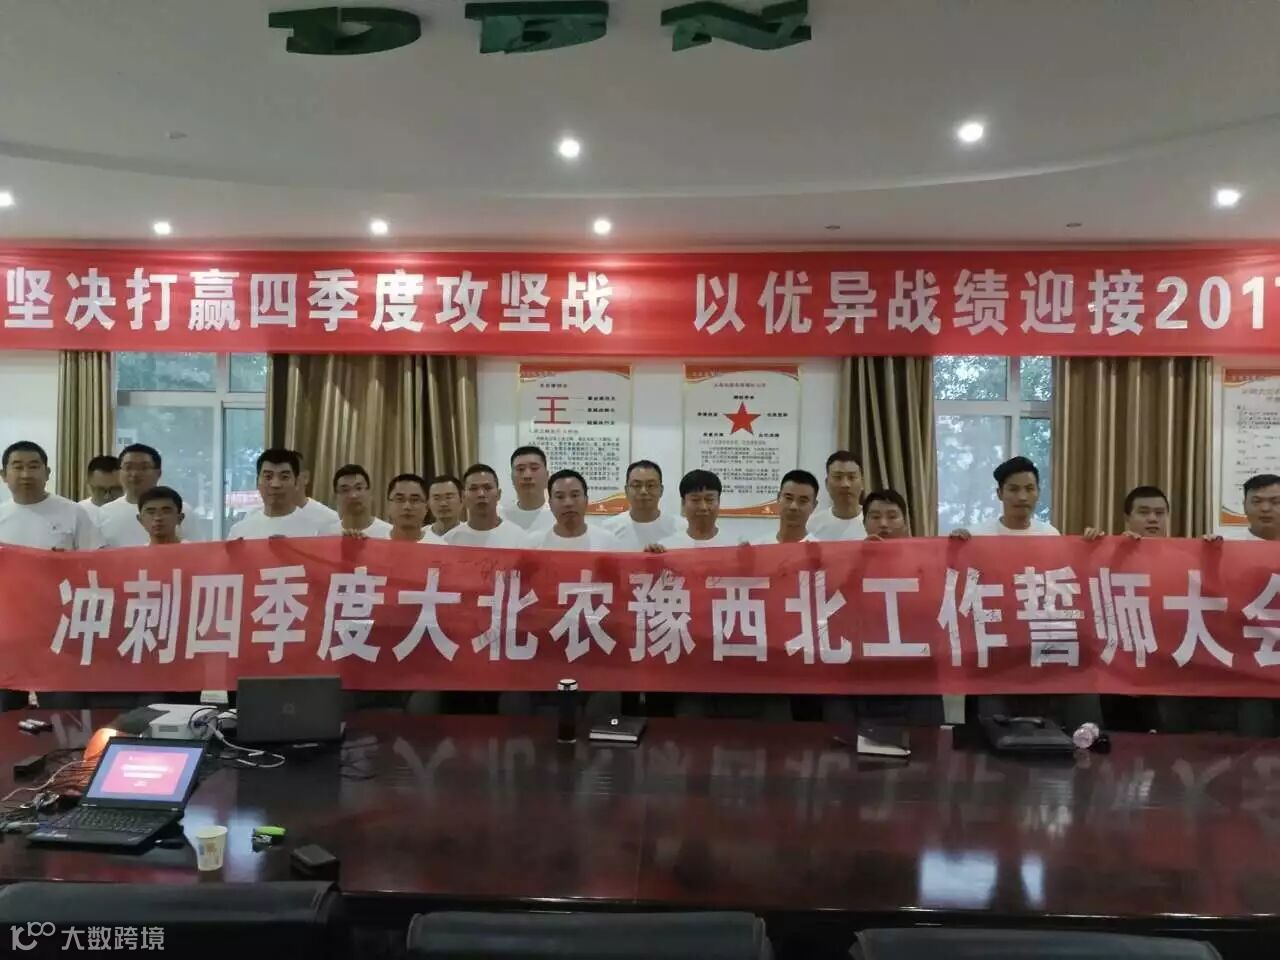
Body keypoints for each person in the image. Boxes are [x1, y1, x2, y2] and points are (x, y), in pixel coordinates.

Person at [0, 441, 101, 550]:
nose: (26, 475)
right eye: (18, 467)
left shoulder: (74, 512)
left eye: (33, 467)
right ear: (4, 475)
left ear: (47, 473)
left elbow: (95, 556)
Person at [227, 449, 329, 539]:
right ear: (257, 482)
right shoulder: (239, 531)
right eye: (268, 477)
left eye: (284, 477)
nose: (275, 484)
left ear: (297, 482)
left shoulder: (317, 529)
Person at [950, 456, 1060, 538]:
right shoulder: (976, 536)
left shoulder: (1050, 535)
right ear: (1000, 493)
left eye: (1029, 489)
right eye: (1013, 489)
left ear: (1038, 492)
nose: (1022, 497)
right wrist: (956, 547)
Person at [445, 464, 531, 548]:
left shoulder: (519, 538)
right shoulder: (449, 541)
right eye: (473, 489)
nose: (481, 494)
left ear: (498, 494)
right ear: (463, 497)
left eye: (487, 488)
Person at [656, 470, 746, 549]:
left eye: (709, 499)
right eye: (695, 500)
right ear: (683, 502)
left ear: (718, 501)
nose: (703, 507)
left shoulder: (735, 544)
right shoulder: (667, 547)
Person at [97, 443, 163, 547]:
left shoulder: (178, 510)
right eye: (128, 467)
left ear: (158, 473)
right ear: (119, 473)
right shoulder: (103, 513)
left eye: (144, 468)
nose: (135, 474)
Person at [535, 469, 620, 550]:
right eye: (560, 497)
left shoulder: (608, 542)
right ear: (550, 503)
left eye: (575, 495)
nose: (568, 503)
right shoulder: (535, 543)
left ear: (586, 500)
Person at [607, 459, 676, 549]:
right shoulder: (608, 529)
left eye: (650, 485)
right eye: (636, 485)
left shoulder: (680, 528)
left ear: (661, 490)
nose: (643, 491)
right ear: (626, 490)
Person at [808, 451, 866, 541]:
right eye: (838, 477)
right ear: (827, 483)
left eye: (851, 477)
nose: (845, 484)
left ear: (862, 483)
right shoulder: (812, 526)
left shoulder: (876, 524)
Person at [325, 464, 392, 538]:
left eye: (359, 488)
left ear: (370, 492)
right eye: (345, 490)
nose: (353, 495)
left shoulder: (389, 534)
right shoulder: (326, 534)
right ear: (336, 497)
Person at [499, 445, 554, 534]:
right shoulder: (500, 516)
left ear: (547, 476)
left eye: (534, 468)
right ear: (512, 477)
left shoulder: (559, 515)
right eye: (520, 469)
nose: (527, 475)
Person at [759, 469, 819, 544]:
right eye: (788, 498)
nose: (793, 506)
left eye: (803, 501)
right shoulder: (759, 546)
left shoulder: (821, 549)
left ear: (814, 505)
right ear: (778, 498)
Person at [386, 473, 433, 543]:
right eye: (399, 499)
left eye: (415, 500)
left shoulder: (441, 547)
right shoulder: (374, 543)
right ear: (389, 504)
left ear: (426, 507)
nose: (407, 506)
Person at [423, 474, 463, 543]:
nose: (443, 503)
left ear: (461, 500)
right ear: (428, 503)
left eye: (449, 497)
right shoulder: (420, 537)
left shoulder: (471, 535)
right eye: (436, 498)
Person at [1242, 473, 1280, 541]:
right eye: (1257, 501)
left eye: (1275, 501)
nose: (1265, 508)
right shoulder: (1226, 543)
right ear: (1244, 506)